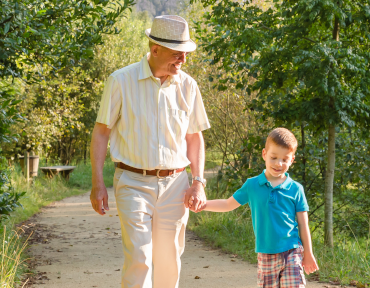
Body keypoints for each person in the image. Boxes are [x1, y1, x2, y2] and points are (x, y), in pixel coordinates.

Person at [88, 15, 211, 288]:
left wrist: (198, 182)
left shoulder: (188, 86)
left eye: (185, 55)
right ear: (155, 49)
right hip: (132, 182)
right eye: (177, 55)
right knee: (139, 257)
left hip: (176, 185)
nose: (183, 61)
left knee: (169, 260)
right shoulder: (120, 80)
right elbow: (101, 133)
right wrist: (98, 183)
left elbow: (194, 138)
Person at [201, 128, 319, 287]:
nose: (279, 163)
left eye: (285, 159)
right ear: (264, 154)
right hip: (266, 254)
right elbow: (228, 204)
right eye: (274, 157)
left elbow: (304, 225)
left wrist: (308, 253)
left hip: (292, 250)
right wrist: (202, 205)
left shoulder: (296, 189)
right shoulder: (252, 185)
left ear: (292, 160)